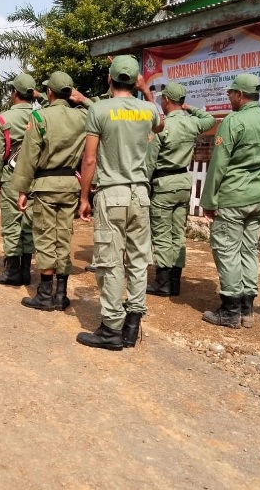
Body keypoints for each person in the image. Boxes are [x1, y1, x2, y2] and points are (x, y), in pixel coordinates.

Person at [76, 55, 164, 350]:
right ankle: (132, 324)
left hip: (111, 193)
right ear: (135, 81)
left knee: (110, 262)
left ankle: (111, 329)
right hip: (140, 194)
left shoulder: (100, 110)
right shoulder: (148, 110)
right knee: (138, 261)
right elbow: (161, 124)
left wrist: (84, 197)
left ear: (109, 79)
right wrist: (147, 90)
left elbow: (89, 159)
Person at [200, 73, 260, 329]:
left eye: (231, 93)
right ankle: (247, 309)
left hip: (233, 197)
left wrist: (209, 199)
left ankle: (230, 310)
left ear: (241, 95)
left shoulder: (232, 122)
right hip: (258, 197)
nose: (229, 97)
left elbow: (219, 164)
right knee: (248, 250)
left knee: (227, 250)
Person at [10, 72, 89, 311]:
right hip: (70, 186)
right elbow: (99, 111)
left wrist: (23, 190)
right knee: (64, 236)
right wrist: (83, 99)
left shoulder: (40, 117)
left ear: (50, 93)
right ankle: (61, 294)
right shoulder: (83, 117)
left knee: (45, 237)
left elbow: (28, 156)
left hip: (45, 185)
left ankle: (45, 294)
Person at [146, 83, 216, 297]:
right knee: (178, 233)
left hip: (163, 184)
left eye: (162, 99)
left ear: (166, 100)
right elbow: (210, 120)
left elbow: (150, 162)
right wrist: (189, 108)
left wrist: (144, 187)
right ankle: (175, 282)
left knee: (162, 234)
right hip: (184, 182)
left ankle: (163, 282)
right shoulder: (192, 123)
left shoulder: (161, 126)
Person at [0, 73, 36, 286]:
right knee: (28, 223)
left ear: (14, 93)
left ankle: (12, 272)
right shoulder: (41, 116)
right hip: (35, 178)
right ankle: (26, 271)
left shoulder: (3, 119)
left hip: (11, 178)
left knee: (12, 223)